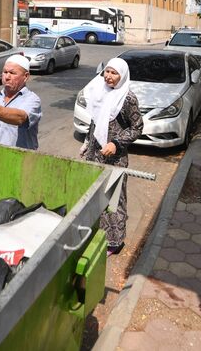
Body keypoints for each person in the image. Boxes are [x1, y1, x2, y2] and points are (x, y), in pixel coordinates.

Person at [79, 58, 143, 256]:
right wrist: (87, 142)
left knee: (114, 199)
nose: (109, 76)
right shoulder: (100, 92)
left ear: (122, 76)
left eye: (114, 73)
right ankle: (97, 234)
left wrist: (116, 144)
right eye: (107, 71)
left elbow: (137, 127)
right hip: (95, 155)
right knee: (95, 196)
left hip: (115, 158)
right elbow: (95, 122)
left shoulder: (127, 98)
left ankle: (114, 242)